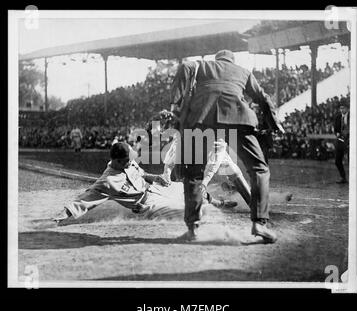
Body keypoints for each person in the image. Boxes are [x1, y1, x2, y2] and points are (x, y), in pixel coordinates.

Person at [170, 49, 284, 243]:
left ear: (217, 60)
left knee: (194, 174)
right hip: (238, 117)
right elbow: (263, 98)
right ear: (232, 61)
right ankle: (259, 224)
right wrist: (275, 124)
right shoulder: (243, 71)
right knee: (259, 169)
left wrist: (175, 104)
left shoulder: (201, 66)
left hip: (202, 117)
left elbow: (185, 66)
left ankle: (193, 228)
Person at [52, 142, 234, 225]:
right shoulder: (107, 182)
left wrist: (156, 178)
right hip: (149, 204)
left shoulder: (129, 163)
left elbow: (143, 173)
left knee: (188, 186)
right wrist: (64, 214)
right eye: (127, 160)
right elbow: (85, 199)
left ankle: (218, 203)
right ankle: (202, 221)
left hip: (155, 189)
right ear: (116, 161)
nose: (131, 162)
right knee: (183, 210)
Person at [334, 105, 349, 183]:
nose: (342, 110)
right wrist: (337, 134)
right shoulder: (338, 117)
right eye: (340, 108)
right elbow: (335, 129)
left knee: (351, 161)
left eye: (343, 108)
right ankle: (343, 177)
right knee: (337, 161)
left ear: (347, 108)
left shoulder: (352, 116)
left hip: (350, 141)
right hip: (340, 140)